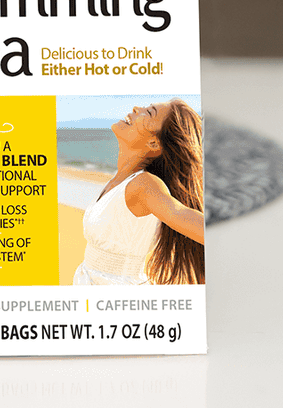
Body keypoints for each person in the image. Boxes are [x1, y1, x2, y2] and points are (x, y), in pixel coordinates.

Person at [71, 101, 207, 285]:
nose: (136, 108)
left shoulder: (144, 186)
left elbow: (180, 214)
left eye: (149, 112)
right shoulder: (119, 182)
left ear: (153, 143)